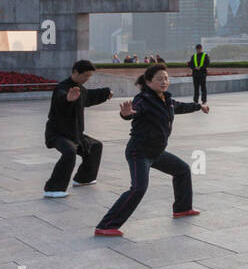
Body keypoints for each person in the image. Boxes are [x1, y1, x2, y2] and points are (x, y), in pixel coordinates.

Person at [94, 64, 208, 237]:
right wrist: (126, 114)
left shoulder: (166, 99)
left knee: (182, 170)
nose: (164, 82)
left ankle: (182, 208)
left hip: (157, 152)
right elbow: (133, 111)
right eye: (159, 79)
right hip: (139, 152)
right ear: (148, 82)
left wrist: (199, 106)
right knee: (138, 188)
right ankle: (106, 225)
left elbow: (180, 107)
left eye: (166, 78)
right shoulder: (143, 99)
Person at [43, 59, 113, 198]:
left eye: (89, 76)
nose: (87, 79)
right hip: (57, 133)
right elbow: (61, 99)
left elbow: (89, 97)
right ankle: (53, 188)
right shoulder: (61, 88)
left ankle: (83, 178)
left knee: (95, 146)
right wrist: (68, 99)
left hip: (75, 134)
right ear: (75, 72)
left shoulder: (80, 89)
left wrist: (105, 93)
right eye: (85, 75)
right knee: (69, 151)